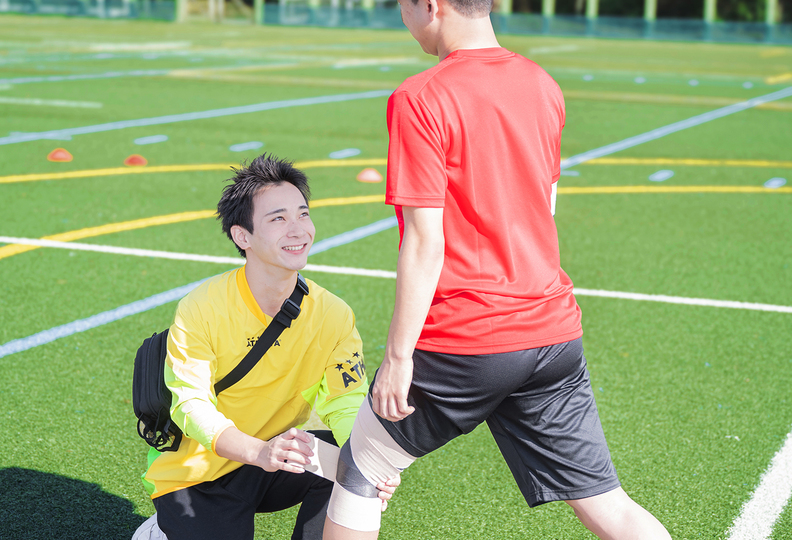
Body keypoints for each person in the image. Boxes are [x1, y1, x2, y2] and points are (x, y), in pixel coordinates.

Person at [322, 0, 673, 538]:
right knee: (608, 502)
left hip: (469, 338)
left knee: (361, 468)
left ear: (431, 6)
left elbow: (424, 242)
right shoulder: (542, 84)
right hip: (552, 333)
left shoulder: (420, 96)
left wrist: (397, 358)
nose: (403, 20)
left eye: (403, 7)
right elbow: (545, 204)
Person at [134, 154, 396, 540]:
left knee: (349, 459)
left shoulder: (334, 314)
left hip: (272, 458)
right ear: (243, 237)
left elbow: (345, 402)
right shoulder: (203, 306)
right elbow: (190, 406)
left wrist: (368, 466)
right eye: (278, 219)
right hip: (198, 473)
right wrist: (257, 451)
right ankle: (160, 531)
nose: (298, 229)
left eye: (303, 214)